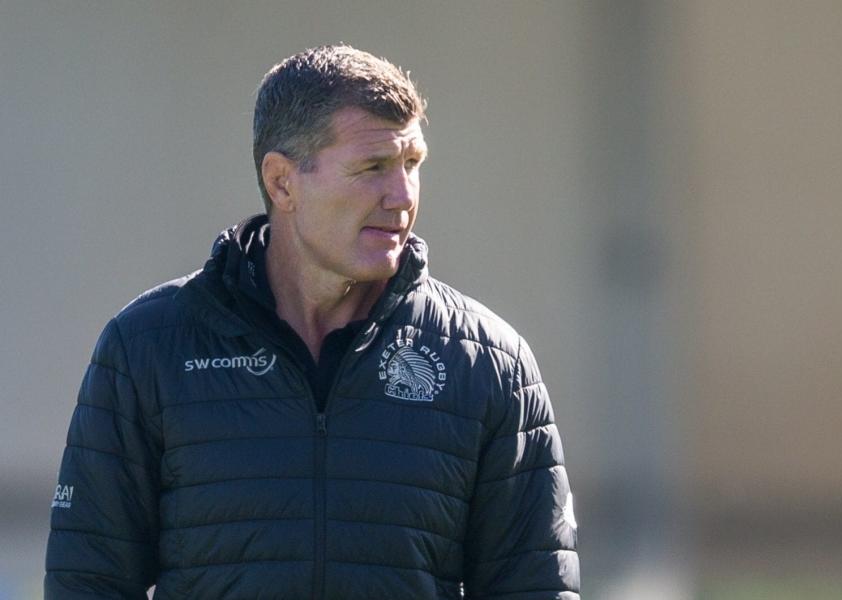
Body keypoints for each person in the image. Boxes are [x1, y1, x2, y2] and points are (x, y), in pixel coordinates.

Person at [44, 45, 580, 599]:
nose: (402, 196)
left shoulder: (488, 362)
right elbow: (88, 582)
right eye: (372, 167)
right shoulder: (147, 348)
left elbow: (533, 588)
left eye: (412, 163)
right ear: (282, 183)